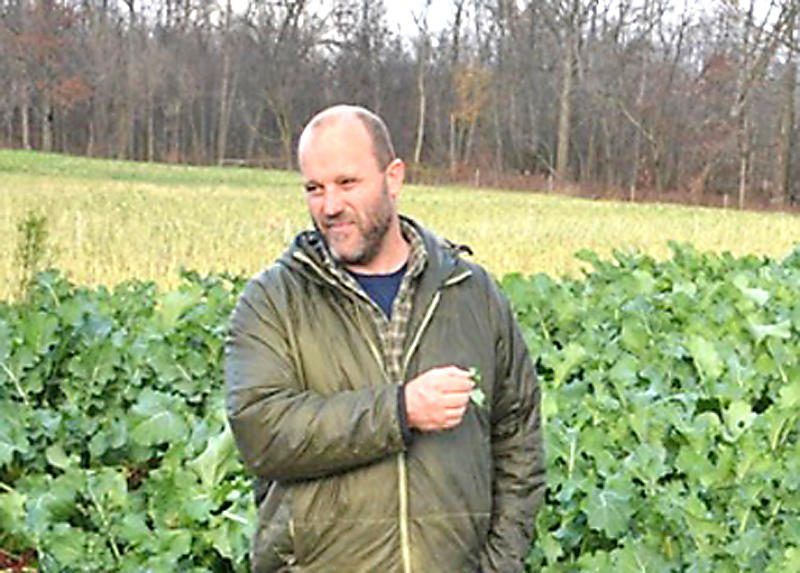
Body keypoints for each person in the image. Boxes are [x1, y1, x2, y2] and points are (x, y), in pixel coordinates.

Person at [224, 104, 545, 573]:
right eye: (314, 188)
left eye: (347, 183)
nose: (329, 206)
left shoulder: (471, 294)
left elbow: (518, 439)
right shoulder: (272, 300)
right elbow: (262, 430)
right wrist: (400, 410)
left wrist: (499, 563)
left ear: (393, 178)